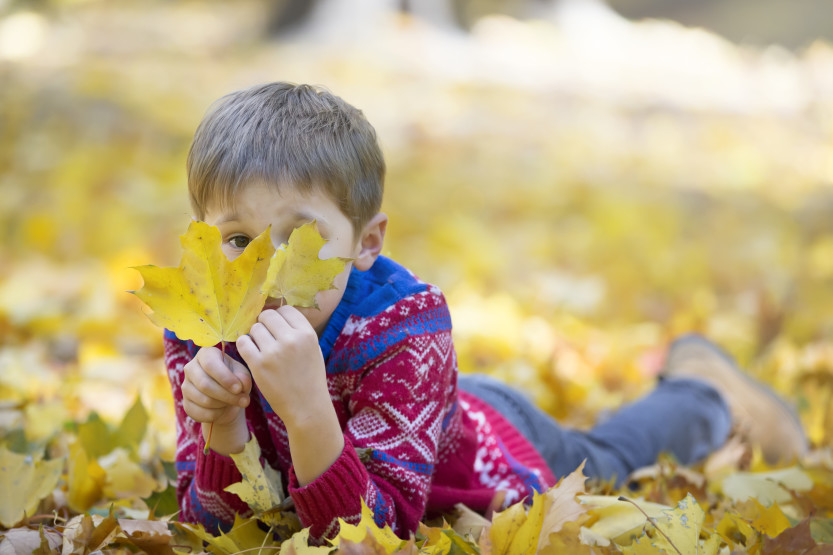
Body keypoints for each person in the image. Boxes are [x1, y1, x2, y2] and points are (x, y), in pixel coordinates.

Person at [163, 82, 807, 541]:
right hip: (432, 411)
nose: (264, 272)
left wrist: (306, 410)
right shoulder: (203, 330)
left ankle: (707, 395)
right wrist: (224, 433)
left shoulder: (404, 331)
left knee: (604, 459)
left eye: (300, 238)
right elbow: (216, 528)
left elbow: (372, 533)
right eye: (238, 241)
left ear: (367, 242)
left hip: (491, 447)